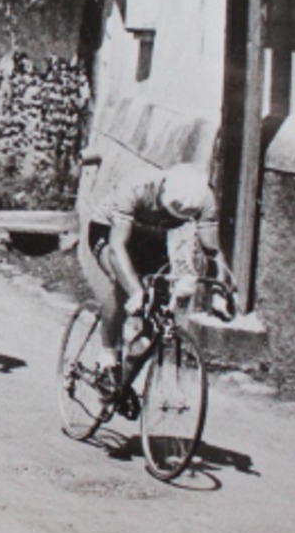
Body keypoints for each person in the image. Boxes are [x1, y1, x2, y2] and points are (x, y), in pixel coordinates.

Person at [85, 164, 223, 395]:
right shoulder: (136, 186)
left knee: (158, 310)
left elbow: (213, 250)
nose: (171, 216)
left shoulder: (203, 197)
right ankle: (108, 354)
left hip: (151, 237)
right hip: (109, 230)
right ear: (162, 190)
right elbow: (117, 247)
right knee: (123, 286)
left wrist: (222, 289)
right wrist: (135, 291)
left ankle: (123, 380)